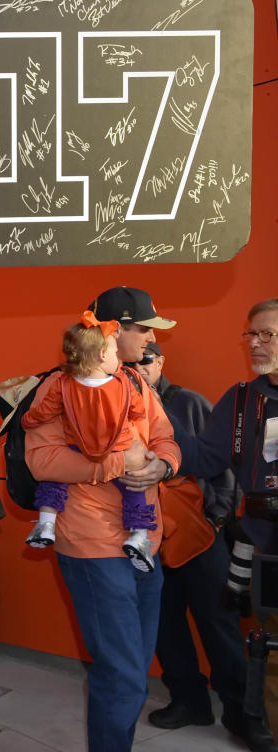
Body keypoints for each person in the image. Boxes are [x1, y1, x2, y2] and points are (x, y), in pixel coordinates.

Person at [25, 286, 180, 752]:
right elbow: (43, 461)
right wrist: (121, 464)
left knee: (131, 666)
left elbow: (165, 436)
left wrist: (163, 465)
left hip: (144, 541)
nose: (153, 339)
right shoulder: (60, 386)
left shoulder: (134, 382)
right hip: (93, 545)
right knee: (123, 672)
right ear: (115, 331)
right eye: (145, 329)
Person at [130, 343, 256, 745]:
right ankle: (190, 702)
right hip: (150, 542)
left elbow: (226, 466)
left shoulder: (189, 403)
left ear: (160, 362)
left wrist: (215, 519)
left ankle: (241, 710)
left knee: (220, 626)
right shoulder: (120, 408)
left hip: (202, 539)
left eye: (145, 361)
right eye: (131, 362)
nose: (138, 368)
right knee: (165, 626)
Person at [169, 298, 278, 752]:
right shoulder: (240, 400)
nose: (254, 343)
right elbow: (205, 457)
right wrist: (156, 451)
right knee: (269, 653)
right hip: (262, 549)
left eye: (266, 334)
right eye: (250, 334)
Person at [22, 311, 156, 570]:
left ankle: (46, 522)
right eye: (115, 352)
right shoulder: (123, 383)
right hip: (118, 450)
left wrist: (28, 420)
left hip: (79, 448)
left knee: (55, 480)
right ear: (102, 355)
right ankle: (138, 535)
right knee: (135, 488)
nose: (118, 358)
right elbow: (138, 410)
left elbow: (44, 412)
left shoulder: (62, 384)